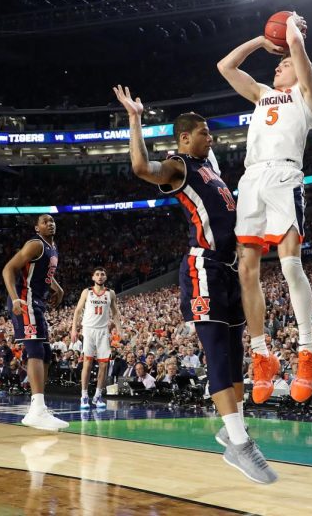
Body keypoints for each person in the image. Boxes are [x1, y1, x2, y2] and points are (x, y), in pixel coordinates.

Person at [115, 84, 277, 484]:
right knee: (219, 353)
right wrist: (135, 120)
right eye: (205, 133)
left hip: (229, 268)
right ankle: (240, 445)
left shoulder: (212, 170)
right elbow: (141, 169)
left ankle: (232, 429)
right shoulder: (178, 165)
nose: (212, 137)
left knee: (235, 352)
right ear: (186, 137)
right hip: (202, 267)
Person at [217, 11, 312, 404]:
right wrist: (262, 41)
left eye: (285, 63)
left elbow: (299, 54)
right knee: (247, 269)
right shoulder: (262, 93)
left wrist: (293, 31)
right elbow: (225, 66)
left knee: (290, 262)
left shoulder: (307, 94)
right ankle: (262, 354)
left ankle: (308, 349)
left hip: (284, 176)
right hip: (251, 179)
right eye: (276, 63)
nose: (279, 66)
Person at [2, 214, 68, 431]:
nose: (50, 223)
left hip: (37, 302)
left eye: (52, 221)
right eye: (45, 221)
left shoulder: (53, 246)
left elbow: (45, 272)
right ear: (37, 227)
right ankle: (37, 409)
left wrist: (57, 287)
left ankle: (38, 408)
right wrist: (14, 299)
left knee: (47, 354)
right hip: (25, 300)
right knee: (36, 352)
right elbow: (8, 269)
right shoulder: (34, 244)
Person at [71, 267, 122, 410]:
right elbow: (78, 311)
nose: (100, 276)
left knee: (104, 365)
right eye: (97, 274)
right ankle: (84, 395)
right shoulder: (86, 292)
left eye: (102, 274)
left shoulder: (110, 293)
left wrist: (120, 330)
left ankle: (98, 395)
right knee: (87, 363)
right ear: (93, 277)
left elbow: (115, 312)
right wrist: (74, 329)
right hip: (89, 330)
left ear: (105, 277)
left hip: (103, 331)